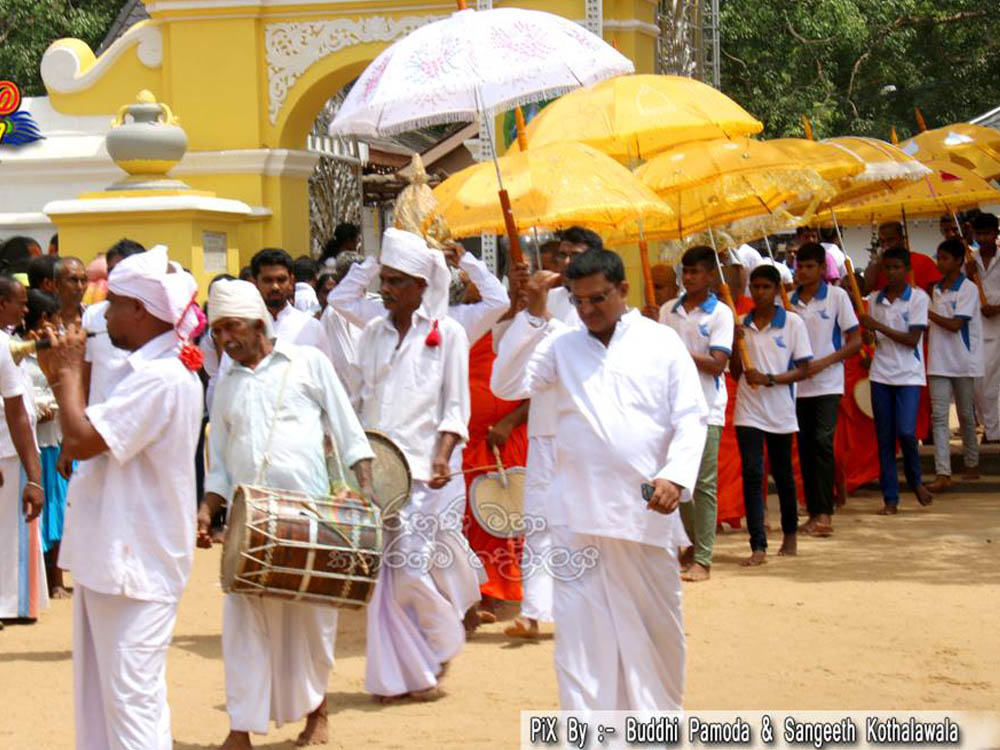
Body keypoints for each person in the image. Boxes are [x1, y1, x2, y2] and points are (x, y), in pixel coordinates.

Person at [491, 247, 707, 709]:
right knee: (580, 648)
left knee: (657, 639)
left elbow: (692, 415)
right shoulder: (559, 344)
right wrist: (531, 314)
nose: (587, 310)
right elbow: (505, 385)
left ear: (623, 290)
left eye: (598, 299)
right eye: (578, 301)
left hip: (646, 514)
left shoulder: (661, 342)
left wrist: (675, 475)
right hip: (577, 519)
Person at [36, 245, 203, 748]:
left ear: (141, 310)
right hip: (117, 555)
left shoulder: (162, 377)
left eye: (113, 305)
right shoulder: (153, 370)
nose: (104, 316)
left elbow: (83, 443)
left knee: (131, 700)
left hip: (136, 562)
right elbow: (83, 433)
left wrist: (66, 374)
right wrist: (61, 375)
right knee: (109, 698)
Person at [197, 280, 374, 750]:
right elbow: (218, 458)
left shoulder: (308, 362)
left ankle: (318, 714)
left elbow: (349, 430)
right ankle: (240, 729)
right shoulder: (224, 385)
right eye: (216, 331)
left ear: (258, 324)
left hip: (311, 515)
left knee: (312, 624)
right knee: (243, 625)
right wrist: (206, 510)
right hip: (249, 522)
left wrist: (366, 493)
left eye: (231, 327)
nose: (224, 340)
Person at [354, 228, 471, 703]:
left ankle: (443, 640)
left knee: (408, 570)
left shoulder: (450, 334)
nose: (386, 289)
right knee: (381, 579)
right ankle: (404, 675)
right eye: (384, 279)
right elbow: (360, 401)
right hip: (377, 474)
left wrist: (442, 457)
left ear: (422, 286)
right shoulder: (372, 334)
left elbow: (455, 407)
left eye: (397, 281)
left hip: (425, 474)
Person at [500, 227, 598, 639]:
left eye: (576, 254)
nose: (567, 262)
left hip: (589, 432)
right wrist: (528, 306)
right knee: (539, 520)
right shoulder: (547, 300)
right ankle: (534, 611)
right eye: (561, 254)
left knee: (586, 522)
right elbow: (513, 375)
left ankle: (589, 610)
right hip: (544, 429)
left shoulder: (605, 309)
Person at [659, 246, 733, 582]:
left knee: (703, 484)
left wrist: (676, 352)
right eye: (684, 272)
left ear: (710, 275)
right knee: (678, 479)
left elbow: (718, 364)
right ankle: (687, 544)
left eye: (695, 271)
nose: (688, 277)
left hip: (707, 407)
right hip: (671, 407)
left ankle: (703, 557)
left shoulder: (721, 314)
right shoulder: (667, 311)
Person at [731, 265, 813, 566]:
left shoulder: (792, 323)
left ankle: (789, 533)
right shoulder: (742, 324)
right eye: (755, 287)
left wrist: (771, 379)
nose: (760, 293)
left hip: (779, 409)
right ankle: (758, 545)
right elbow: (737, 372)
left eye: (766, 287)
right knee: (753, 474)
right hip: (748, 410)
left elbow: (805, 368)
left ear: (777, 289)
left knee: (782, 474)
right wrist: (734, 345)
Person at [790, 243, 861, 537]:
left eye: (809, 266)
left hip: (828, 383)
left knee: (821, 443)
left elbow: (854, 341)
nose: (803, 272)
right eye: (800, 266)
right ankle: (814, 510)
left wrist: (823, 363)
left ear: (822, 269)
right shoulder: (788, 301)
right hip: (798, 386)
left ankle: (825, 512)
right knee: (805, 449)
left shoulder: (837, 297)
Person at [858, 247, 935, 513]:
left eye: (896, 268)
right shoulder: (875, 299)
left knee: (906, 431)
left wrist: (877, 326)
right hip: (880, 374)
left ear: (906, 270)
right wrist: (868, 336)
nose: (891, 273)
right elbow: (872, 340)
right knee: (885, 437)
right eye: (887, 268)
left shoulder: (918, 299)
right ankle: (890, 498)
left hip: (909, 375)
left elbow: (912, 339)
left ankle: (915, 481)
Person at [0, 276, 47, 627]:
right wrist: (35, 476)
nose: (25, 308)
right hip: (7, 452)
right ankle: (10, 605)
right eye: (20, 302)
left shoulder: (8, 343)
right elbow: (15, 412)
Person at [23, 289, 71, 598]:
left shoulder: (58, 352)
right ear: (43, 320)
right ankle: (41, 581)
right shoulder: (21, 355)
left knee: (58, 511)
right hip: (34, 443)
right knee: (39, 513)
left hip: (55, 440)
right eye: (54, 321)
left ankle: (56, 578)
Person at [925, 238, 983, 492]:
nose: (940, 262)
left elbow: (956, 324)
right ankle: (943, 471)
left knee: (966, 414)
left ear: (958, 261)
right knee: (939, 416)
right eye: (938, 257)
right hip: (938, 359)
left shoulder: (967, 288)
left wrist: (927, 312)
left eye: (945, 258)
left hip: (962, 359)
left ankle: (972, 462)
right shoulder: (935, 289)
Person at [82, 239, 146, 406]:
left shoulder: (152, 318)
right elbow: (86, 374)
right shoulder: (92, 314)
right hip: (98, 419)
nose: (115, 277)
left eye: (122, 270)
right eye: (111, 271)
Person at [970, 212, 1000, 445]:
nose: (983, 238)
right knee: (981, 383)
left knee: (992, 383)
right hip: (979, 330)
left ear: (995, 233)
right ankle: (991, 430)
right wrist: (969, 273)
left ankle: (993, 432)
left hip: (997, 325)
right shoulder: (969, 262)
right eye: (979, 233)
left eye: (987, 233)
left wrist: (996, 308)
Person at [863, 221, 942, 294]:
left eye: (890, 240)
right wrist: (876, 263)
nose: (886, 245)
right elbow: (865, 290)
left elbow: (935, 294)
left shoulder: (923, 261)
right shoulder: (878, 265)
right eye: (882, 241)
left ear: (902, 239)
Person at [53, 256, 88, 328]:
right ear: (56, 285)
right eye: (73, 280)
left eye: (83, 280)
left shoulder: (94, 316)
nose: (80, 287)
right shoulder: (47, 320)